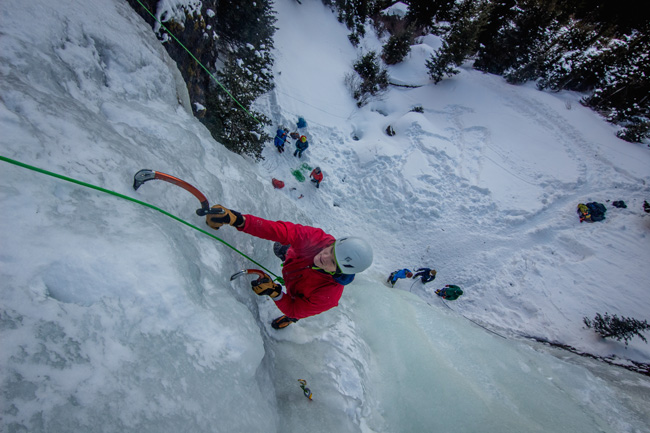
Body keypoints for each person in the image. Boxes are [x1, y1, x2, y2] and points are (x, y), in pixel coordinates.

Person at [206, 205, 373, 329]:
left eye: (333, 262)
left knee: (295, 313)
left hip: (299, 291)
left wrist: (275, 292)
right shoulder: (320, 240)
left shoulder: (327, 295)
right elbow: (285, 231)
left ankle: (290, 321)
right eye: (330, 250)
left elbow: (295, 308)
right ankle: (287, 260)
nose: (324, 257)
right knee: (279, 245)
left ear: (341, 272)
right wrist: (240, 221)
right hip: (294, 263)